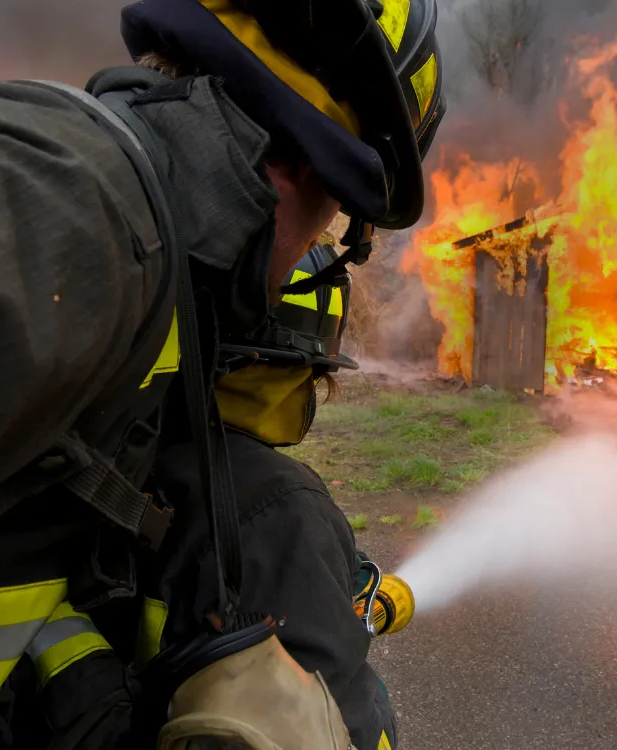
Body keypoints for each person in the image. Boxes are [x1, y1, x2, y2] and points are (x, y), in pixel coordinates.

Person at [0, 0, 445, 747]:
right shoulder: (80, 215)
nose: (304, 257)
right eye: (334, 211)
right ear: (289, 166)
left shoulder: (136, 296)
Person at [154, 241, 397, 750]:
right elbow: (334, 723)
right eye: (317, 376)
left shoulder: (137, 454)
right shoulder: (281, 504)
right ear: (294, 373)